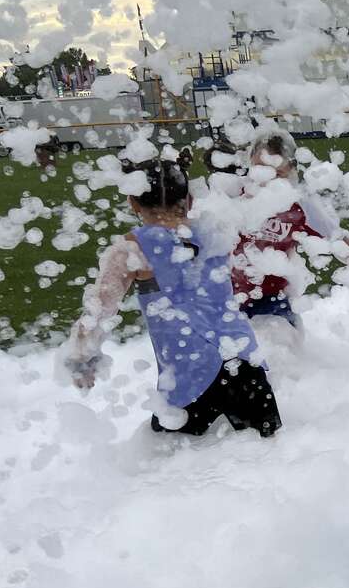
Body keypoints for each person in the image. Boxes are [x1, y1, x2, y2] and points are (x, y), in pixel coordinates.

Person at [64, 149, 282, 438]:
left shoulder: (132, 248)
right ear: (188, 199)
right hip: (246, 361)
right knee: (268, 456)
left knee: (171, 472)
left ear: (132, 201)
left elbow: (98, 312)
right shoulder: (215, 229)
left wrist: (81, 359)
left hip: (190, 379)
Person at [230, 128, 349, 326]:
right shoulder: (234, 193)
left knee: (280, 341)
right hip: (226, 295)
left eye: (277, 173)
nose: (268, 181)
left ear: (291, 171)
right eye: (261, 170)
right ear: (251, 164)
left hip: (270, 298)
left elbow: (340, 241)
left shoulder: (300, 205)